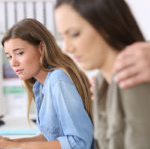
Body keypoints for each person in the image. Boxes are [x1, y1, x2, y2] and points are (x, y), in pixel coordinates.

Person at [54, 0, 150, 148]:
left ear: (106, 27)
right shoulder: (100, 83)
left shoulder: (132, 77)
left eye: (74, 34)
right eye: (62, 37)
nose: (66, 48)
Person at [0, 18, 94, 149]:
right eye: (9, 56)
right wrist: (10, 143)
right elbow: (49, 138)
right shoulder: (40, 85)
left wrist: (20, 145)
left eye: (19, 53)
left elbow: (79, 143)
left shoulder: (58, 80)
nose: (13, 63)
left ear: (41, 48)